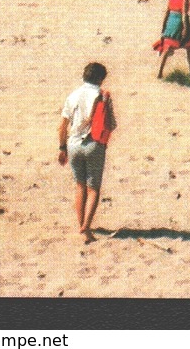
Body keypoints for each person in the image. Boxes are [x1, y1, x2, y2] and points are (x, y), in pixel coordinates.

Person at [59, 62, 115, 244]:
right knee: (93, 189)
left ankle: (81, 225)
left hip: (73, 144)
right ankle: (87, 227)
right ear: (100, 78)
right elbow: (111, 124)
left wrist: (62, 148)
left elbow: (62, 127)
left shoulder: (72, 96)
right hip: (94, 144)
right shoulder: (102, 96)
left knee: (80, 186)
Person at [154, 0, 190, 79]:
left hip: (171, 21)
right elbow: (183, 14)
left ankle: (159, 73)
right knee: (189, 46)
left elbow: (167, 11)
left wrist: (164, 26)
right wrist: (185, 28)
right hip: (179, 22)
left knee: (168, 47)